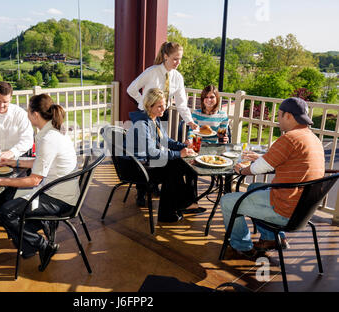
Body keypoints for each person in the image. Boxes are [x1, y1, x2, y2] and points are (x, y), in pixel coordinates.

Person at [0, 94, 79, 271]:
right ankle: (27, 242)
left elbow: (34, 179)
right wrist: (13, 162)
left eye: (28, 110)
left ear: (35, 114)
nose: (27, 113)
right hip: (57, 190)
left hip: (58, 198)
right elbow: (41, 162)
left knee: (5, 212)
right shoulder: (53, 132)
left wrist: (0, 180)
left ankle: (42, 245)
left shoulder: (48, 138)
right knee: (4, 197)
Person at [219, 97, 325, 259]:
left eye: (279, 115)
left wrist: (241, 170)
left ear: (288, 116)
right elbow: (290, 161)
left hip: (284, 210)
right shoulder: (313, 138)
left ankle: (242, 246)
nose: (278, 119)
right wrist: (262, 157)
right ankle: (272, 239)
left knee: (228, 200)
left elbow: (257, 169)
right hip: (303, 209)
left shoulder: (290, 138)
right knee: (253, 188)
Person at [126, 88, 204, 223]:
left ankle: (179, 205)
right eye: (159, 106)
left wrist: (184, 147)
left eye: (165, 105)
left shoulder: (153, 119)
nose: (164, 109)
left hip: (146, 162)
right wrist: (179, 154)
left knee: (179, 164)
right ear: (149, 106)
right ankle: (175, 208)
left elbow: (166, 141)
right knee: (173, 167)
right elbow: (152, 152)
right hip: (138, 167)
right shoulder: (142, 124)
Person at [127, 41, 198, 130]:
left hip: (163, 115)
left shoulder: (178, 77)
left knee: (162, 142)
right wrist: (145, 103)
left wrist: (190, 121)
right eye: (175, 59)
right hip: (146, 114)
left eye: (180, 59)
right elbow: (131, 89)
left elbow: (181, 104)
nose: (178, 62)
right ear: (166, 56)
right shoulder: (152, 72)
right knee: (144, 143)